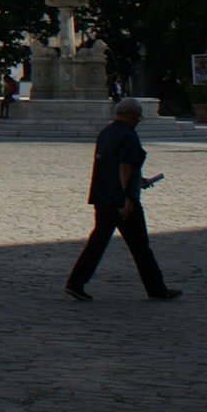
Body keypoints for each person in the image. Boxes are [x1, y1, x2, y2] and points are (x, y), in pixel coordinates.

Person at [66, 98, 181, 302]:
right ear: (131, 115)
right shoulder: (128, 136)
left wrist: (139, 181)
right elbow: (125, 167)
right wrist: (128, 196)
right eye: (137, 117)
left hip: (102, 196)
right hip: (121, 200)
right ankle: (156, 289)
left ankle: (75, 283)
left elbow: (109, 165)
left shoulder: (105, 133)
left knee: (97, 242)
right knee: (140, 246)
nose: (137, 121)